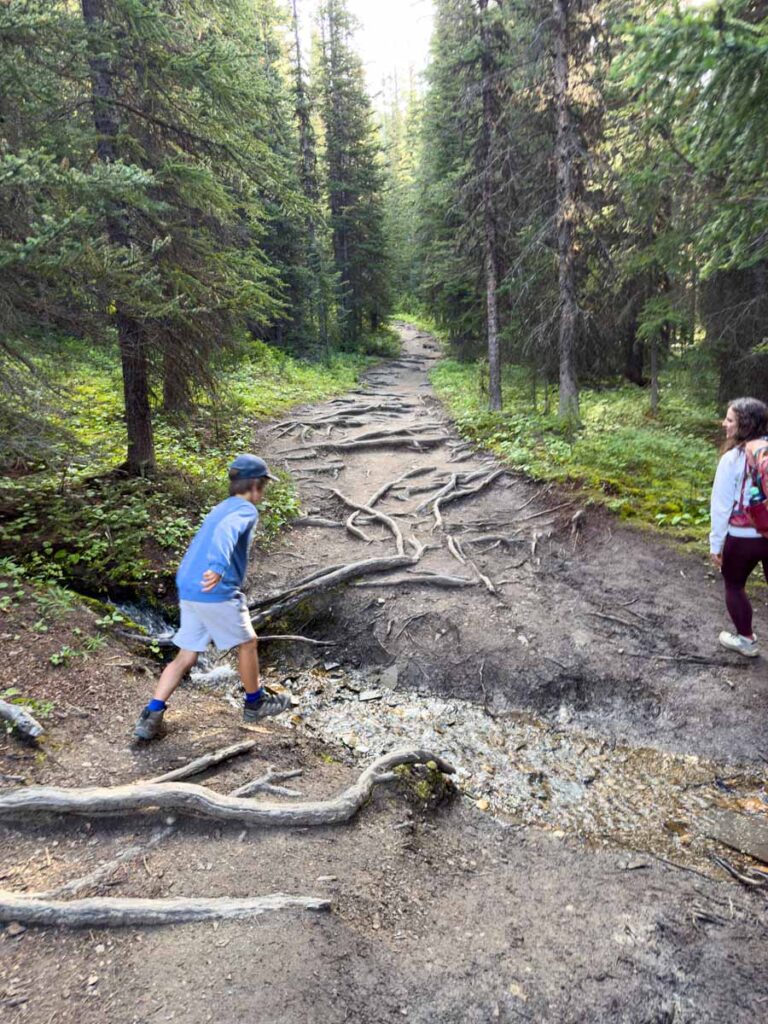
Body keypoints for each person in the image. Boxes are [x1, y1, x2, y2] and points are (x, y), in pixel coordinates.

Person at [134, 454, 291, 741]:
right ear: (255, 486)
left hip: (189, 586)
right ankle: (254, 703)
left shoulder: (221, 507)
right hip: (214, 589)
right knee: (248, 642)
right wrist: (218, 568)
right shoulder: (245, 510)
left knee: (187, 655)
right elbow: (224, 535)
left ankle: (151, 715)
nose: (263, 493)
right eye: (264, 486)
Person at [710, 397, 768, 658]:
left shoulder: (732, 459)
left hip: (742, 537)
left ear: (744, 424)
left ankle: (746, 640)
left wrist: (716, 544)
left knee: (734, 585)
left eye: (730, 419)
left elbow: (721, 506)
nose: (725, 423)